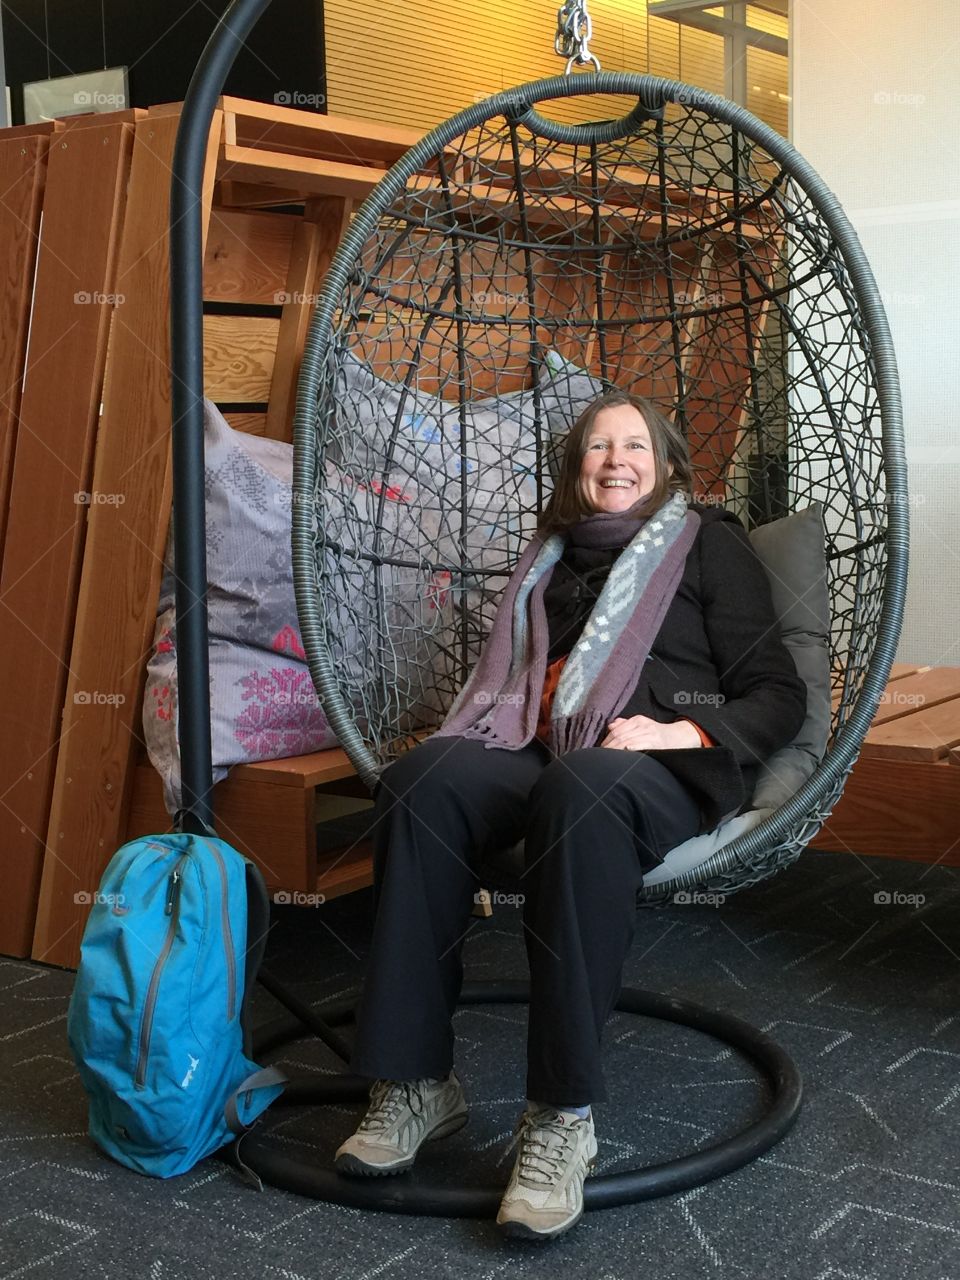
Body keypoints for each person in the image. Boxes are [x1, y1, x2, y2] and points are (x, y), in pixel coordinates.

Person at [333, 390, 807, 1241]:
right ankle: (414, 1082)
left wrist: (683, 729)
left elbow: (776, 692)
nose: (615, 460)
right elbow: (514, 688)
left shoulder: (710, 544)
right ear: (575, 468)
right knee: (422, 780)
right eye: (597, 446)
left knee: (580, 789)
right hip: (539, 743)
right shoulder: (548, 556)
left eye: (635, 446)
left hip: (655, 763)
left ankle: (561, 1115)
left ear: (669, 468)